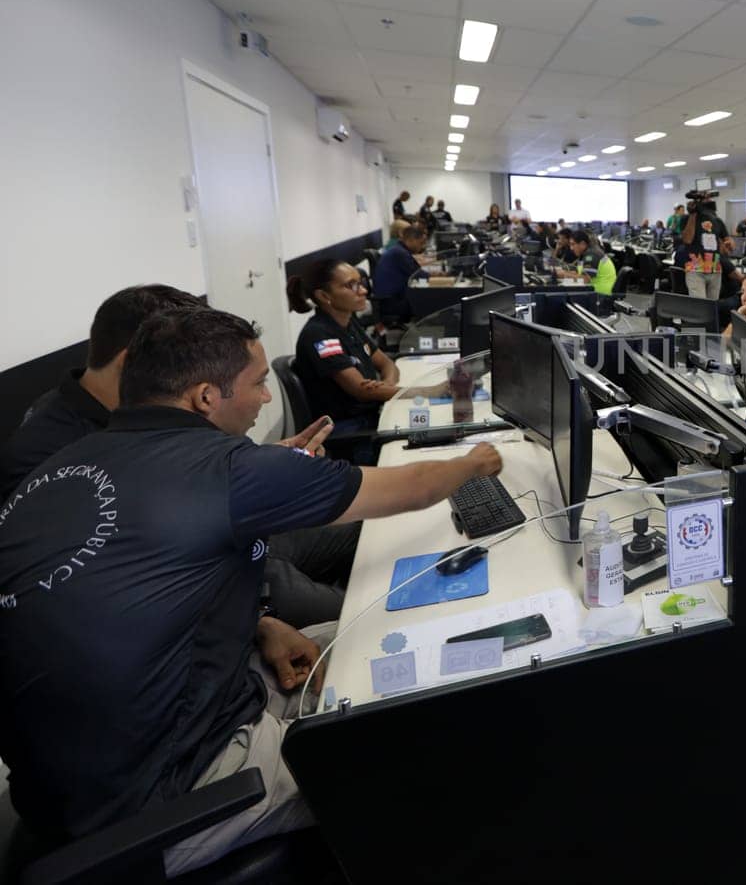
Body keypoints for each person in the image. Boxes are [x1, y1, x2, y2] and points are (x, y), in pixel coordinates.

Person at [0, 307, 505, 874]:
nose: (267, 399)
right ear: (205, 397)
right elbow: (413, 488)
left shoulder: (62, 465)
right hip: (162, 800)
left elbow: (141, 592)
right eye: (258, 383)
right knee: (440, 740)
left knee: (390, 630)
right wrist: (474, 461)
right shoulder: (228, 468)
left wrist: (261, 624)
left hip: (73, 782)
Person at [1, 285, 355, 631]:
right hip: (205, 584)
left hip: (236, 546)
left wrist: (267, 461)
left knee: (364, 534)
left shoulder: (138, 412)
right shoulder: (51, 455)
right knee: (361, 611)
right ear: (136, 361)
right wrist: (261, 626)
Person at [1, 284, 201, 499]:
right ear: (135, 362)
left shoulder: (89, 401)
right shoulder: (49, 463)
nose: (192, 384)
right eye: (184, 368)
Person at [287, 260, 403, 449]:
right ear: (324, 296)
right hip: (350, 431)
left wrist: (386, 385)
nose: (363, 290)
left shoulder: (348, 323)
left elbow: (387, 364)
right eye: (352, 285)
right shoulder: (319, 335)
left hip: (369, 416)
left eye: (361, 283)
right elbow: (361, 390)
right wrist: (422, 392)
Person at [372, 223, 429, 323]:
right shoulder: (400, 253)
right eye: (420, 243)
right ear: (411, 240)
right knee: (431, 297)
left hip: (391, 298)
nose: (422, 247)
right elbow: (418, 275)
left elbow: (416, 271)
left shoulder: (399, 250)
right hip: (392, 303)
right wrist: (438, 276)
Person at [682, 199, 728, 301]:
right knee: (700, 307)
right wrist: (693, 214)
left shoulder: (717, 221)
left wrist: (727, 245)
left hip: (715, 270)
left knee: (712, 307)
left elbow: (728, 244)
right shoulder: (687, 219)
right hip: (695, 269)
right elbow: (687, 239)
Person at [559, 229, 616, 295]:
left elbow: (585, 279)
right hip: (594, 290)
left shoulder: (592, 254)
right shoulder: (586, 253)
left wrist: (564, 274)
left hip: (600, 294)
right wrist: (564, 273)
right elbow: (578, 272)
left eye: (573, 244)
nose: (571, 248)